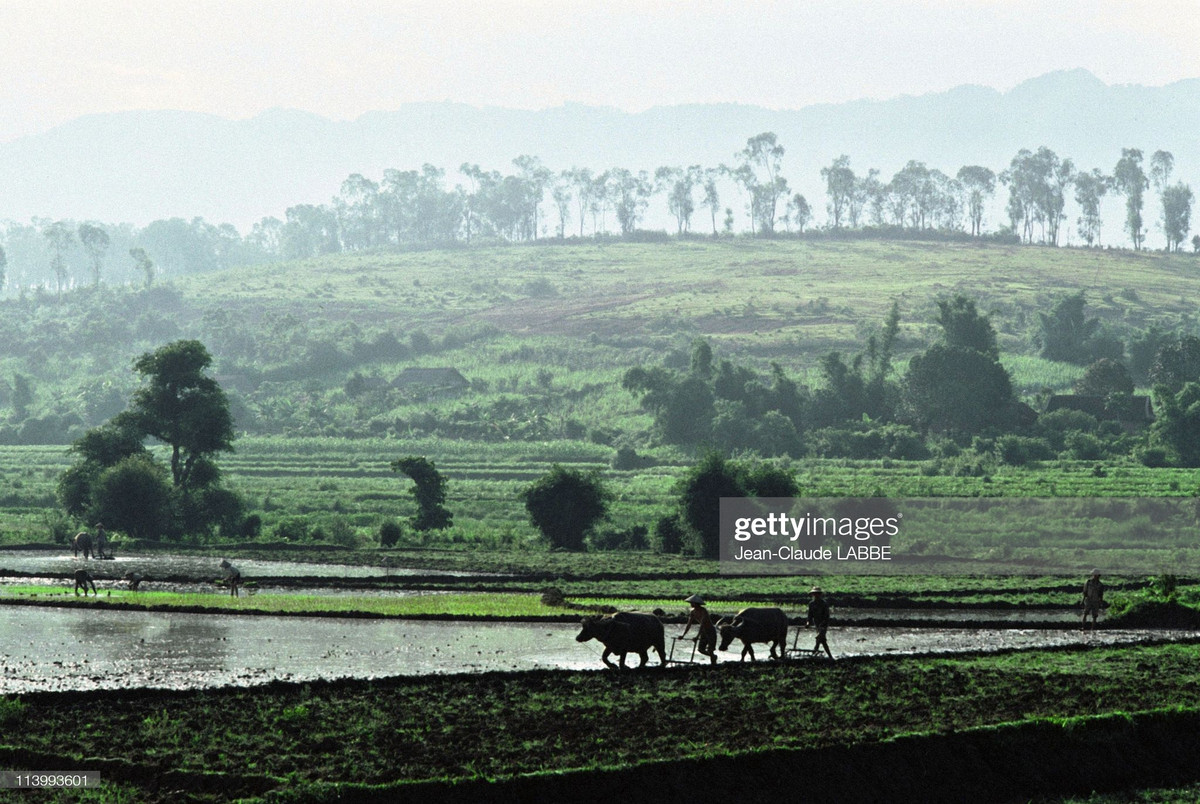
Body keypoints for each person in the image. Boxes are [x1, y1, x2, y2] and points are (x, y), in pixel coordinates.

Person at [679, 593, 718, 664]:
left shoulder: (703, 611)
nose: (690, 604)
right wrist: (683, 635)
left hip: (710, 631)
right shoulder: (692, 612)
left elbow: (702, 624)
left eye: (692, 602)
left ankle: (713, 664)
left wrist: (697, 636)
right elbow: (689, 624)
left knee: (710, 649)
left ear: (696, 603)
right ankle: (713, 657)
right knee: (701, 649)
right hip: (703, 632)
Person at [806, 586, 834, 659]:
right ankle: (830, 657)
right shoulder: (811, 604)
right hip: (817, 624)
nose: (816, 595)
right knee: (823, 641)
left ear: (820, 594)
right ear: (812, 594)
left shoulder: (824, 603)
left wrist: (823, 624)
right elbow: (810, 615)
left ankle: (814, 652)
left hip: (824, 624)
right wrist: (808, 623)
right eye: (814, 594)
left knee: (819, 637)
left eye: (817, 594)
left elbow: (827, 616)